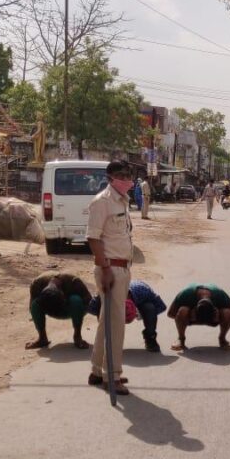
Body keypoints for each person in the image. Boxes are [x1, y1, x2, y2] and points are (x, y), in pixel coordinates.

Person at [86, 160, 135, 395]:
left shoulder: (122, 201)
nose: (126, 179)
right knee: (115, 325)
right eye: (121, 175)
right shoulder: (102, 202)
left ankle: (97, 370)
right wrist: (104, 268)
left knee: (107, 320)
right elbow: (93, 238)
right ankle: (112, 376)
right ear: (110, 177)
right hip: (110, 269)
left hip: (122, 268)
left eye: (128, 174)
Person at [89, 279, 166, 353]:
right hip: (111, 305)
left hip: (139, 299)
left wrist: (142, 315)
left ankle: (150, 338)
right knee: (103, 311)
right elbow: (92, 308)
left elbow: (160, 306)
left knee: (150, 308)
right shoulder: (104, 295)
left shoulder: (143, 291)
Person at [25, 271, 93, 350]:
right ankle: (42, 338)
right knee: (35, 305)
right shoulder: (37, 284)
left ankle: (77, 336)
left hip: (70, 308)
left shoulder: (74, 282)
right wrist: (37, 316)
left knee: (76, 300)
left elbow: (89, 302)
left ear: (62, 293)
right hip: (48, 308)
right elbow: (31, 307)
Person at [167, 283, 230, 352]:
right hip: (192, 317)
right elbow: (170, 313)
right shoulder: (186, 294)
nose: (203, 321)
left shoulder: (220, 295)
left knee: (227, 313)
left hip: (214, 318)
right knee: (183, 311)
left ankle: (222, 338)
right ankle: (181, 338)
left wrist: (219, 315)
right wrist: (186, 317)